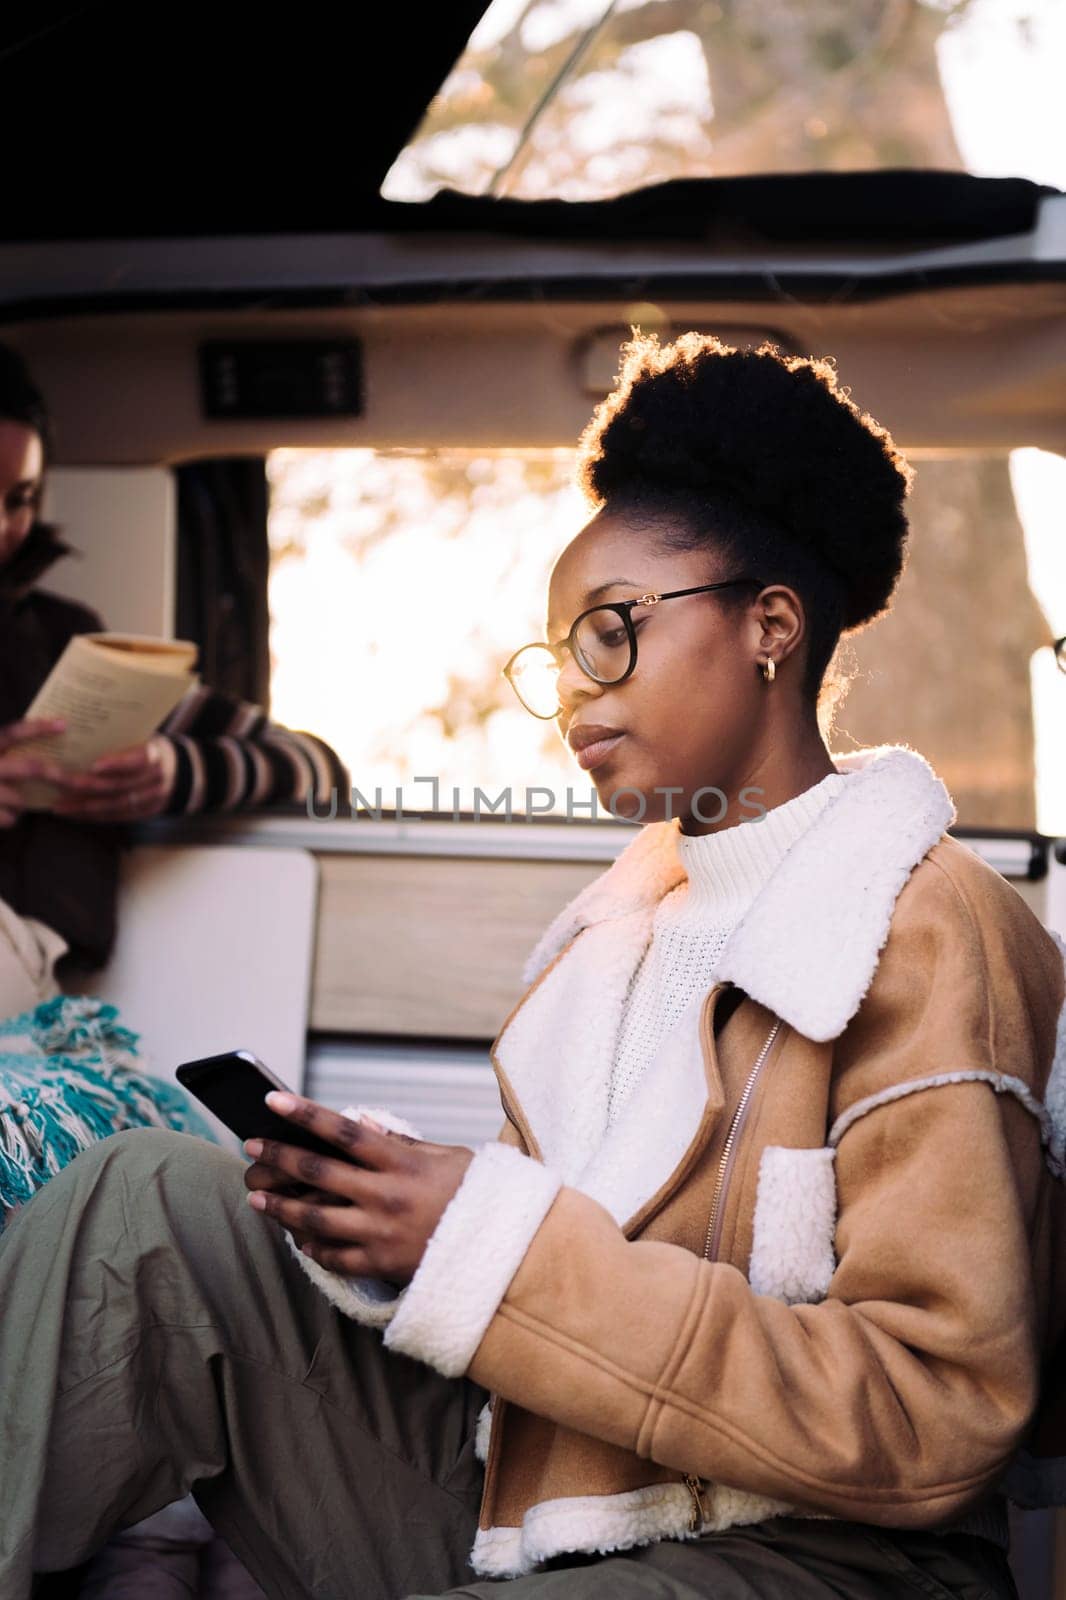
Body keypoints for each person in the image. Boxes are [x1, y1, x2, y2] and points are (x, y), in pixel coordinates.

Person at [1, 332, 1063, 1600]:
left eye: (610, 634)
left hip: (811, 1548)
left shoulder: (929, 925)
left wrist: (493, 1242)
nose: (570, 692)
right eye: (556, 654)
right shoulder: (610, 939)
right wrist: (387, 1228)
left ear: (771, 625)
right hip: (538, 1487)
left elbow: (934, 1416)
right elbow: (532, 1286)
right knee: (150, 1200)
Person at [0, 342, 348, 983]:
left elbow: (319, 769)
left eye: (19, 499)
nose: (1, 529)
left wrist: (177, 771)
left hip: (47, 1002)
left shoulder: (65, 641)